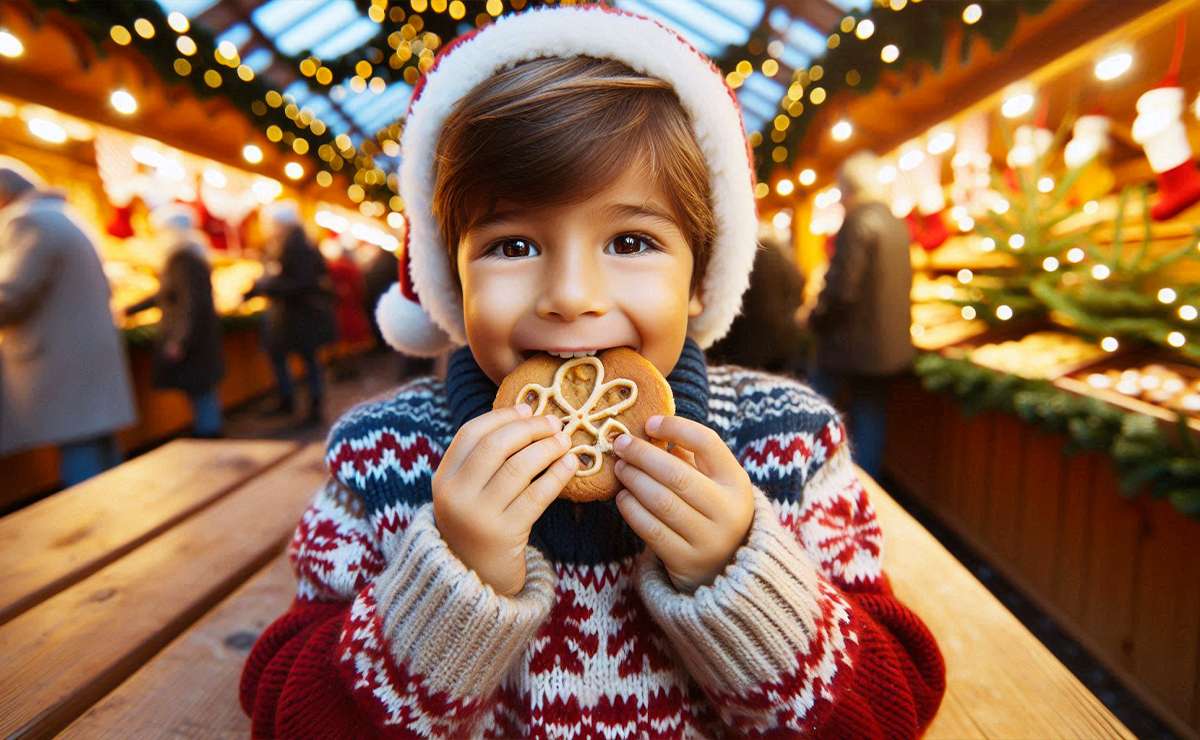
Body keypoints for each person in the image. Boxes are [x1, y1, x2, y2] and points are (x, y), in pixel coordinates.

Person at [240, 7, 944, 737]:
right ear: (450, 282)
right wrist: (451, 583)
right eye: (512, 246)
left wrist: (742, 577)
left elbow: (891, 708)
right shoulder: (380, 458)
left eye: (631, 240)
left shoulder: (788, 445)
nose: (572, 296)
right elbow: (285, 713)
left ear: (701, 278)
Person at [0, 158, 136, 485]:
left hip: (60, 361)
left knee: (80, 451)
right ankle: (119, 523)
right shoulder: (67, 218)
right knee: (98, 446)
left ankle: (93, 531)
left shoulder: (28, 221)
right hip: (86, 356)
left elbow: (11, 295)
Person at [805, 151, 916, 479]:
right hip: (887, 350)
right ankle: (867, 490)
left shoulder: (857, 222)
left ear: (847, 189)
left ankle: (808, 481)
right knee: (870, 419)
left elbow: (842, 291)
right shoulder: (896, 222)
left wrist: (815, 319)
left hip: (851, 348)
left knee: (814, 409)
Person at [125, 204, 225, 438]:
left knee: (200, 389)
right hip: (199, 337)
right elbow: (167, 296)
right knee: (201, 388)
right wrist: (131, 309)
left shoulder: (183, 260)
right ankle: (208, 430)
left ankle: (209, 433)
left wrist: (180, 340)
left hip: (193, 339)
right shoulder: (191, 257)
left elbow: (189, 303)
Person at [245, 202, 336, 425]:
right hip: (296, 316)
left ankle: (312, 407)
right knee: (297, 358)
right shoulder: (295, 242)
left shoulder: (297, 246)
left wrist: (265, 286)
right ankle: (293, 401)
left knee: (308, 360)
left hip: (301, 316)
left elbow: (302, 283)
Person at [706, 238, 807, 376]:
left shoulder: (735, 258)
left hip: (739, 343)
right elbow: (799, 286)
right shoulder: (778, 254)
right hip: (778, 342)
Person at [319, 236, 371, 380]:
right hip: (352, 308)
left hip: (340, 310)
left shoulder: (333, 268)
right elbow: (360, 289)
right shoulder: (352, 268)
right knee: (352, 342)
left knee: (342, 342)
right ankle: (351, 370)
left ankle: (343, 371)